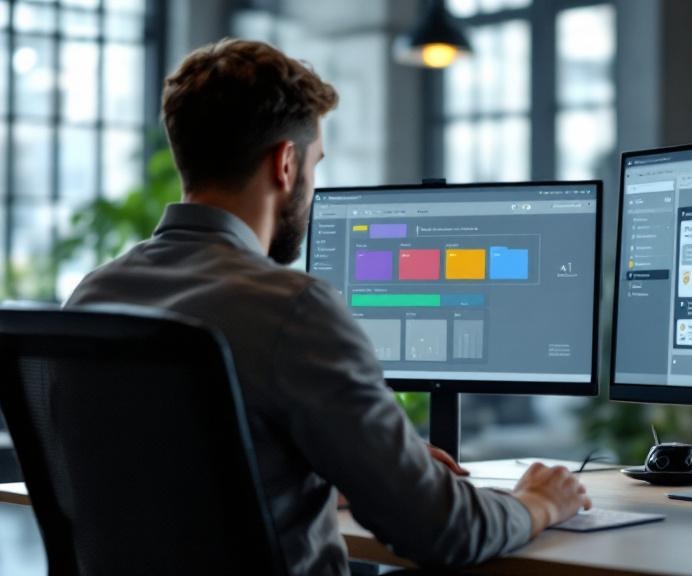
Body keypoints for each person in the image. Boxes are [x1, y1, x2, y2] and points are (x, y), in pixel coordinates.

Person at [66, 39, 591, 575]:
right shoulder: (292, 308)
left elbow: (167, 477)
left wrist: (334, 473)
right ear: (286, 164)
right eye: (316, 162)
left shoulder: (92, 297)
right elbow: (440, 531)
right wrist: (539, 503)